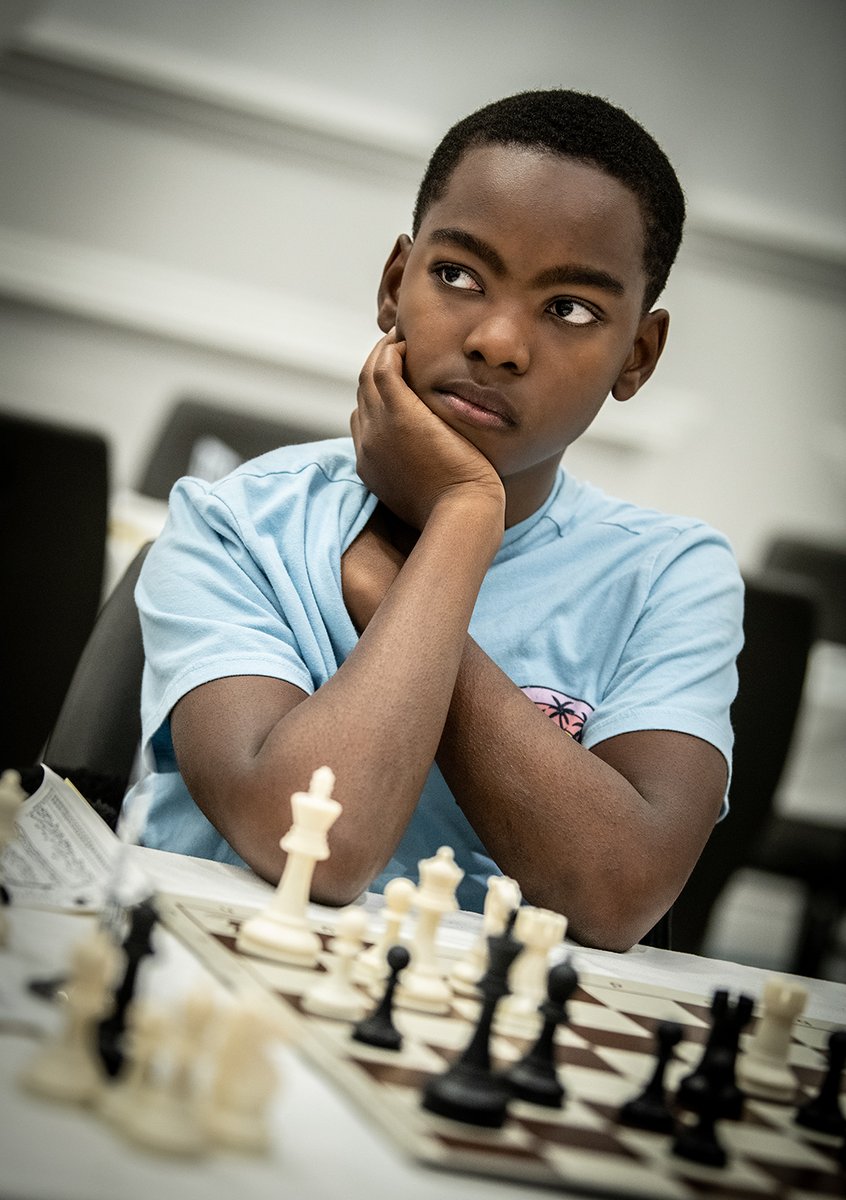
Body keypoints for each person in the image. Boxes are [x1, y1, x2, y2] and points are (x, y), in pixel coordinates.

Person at [126, 89, 743, 951]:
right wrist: (463, 517)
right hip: (207, 981)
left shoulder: (670, 575)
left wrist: (416, 562)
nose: (498, 340)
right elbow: (319, 849)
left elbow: (618, 892)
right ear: (393, 285)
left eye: (569, 308)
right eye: (459, 275)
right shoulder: (241, 520)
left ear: (636, 357)